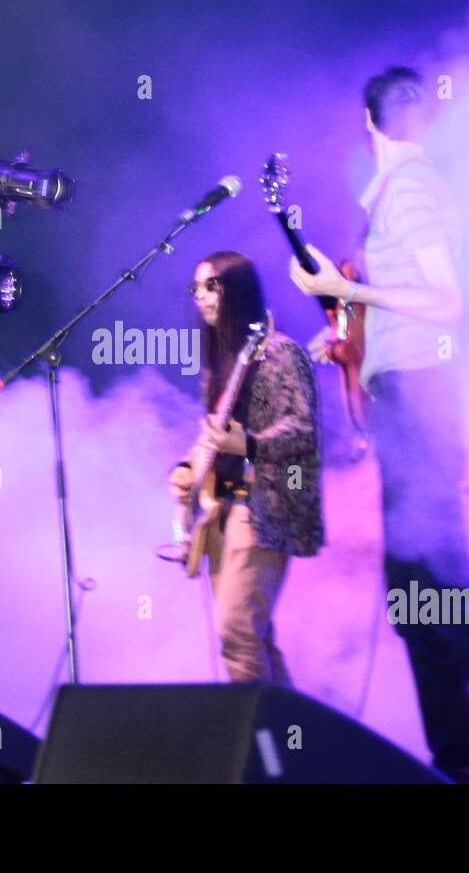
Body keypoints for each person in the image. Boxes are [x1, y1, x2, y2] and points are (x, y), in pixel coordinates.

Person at [289, 66, 469, 783]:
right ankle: (453, 757)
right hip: (406, 394)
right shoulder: (395, 192)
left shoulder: (412, 189)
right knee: (411, 597)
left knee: (443, 577)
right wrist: (350, 331)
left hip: (421, 397)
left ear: (367, 121)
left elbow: (445, 303)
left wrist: (344, 289)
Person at [168, 250, 323, 685]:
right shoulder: (222, 361)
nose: (200, 296)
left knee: (237, 634)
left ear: (236, 290)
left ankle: (260, 742)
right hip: (222, 511)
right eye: (196, 286)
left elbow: (304, 430)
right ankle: (288, 741)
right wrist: (186, 468)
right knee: (254, 637)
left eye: (211, 285)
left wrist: (251, 445)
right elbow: (215, 435)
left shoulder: (279, 352)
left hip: (262, 508)